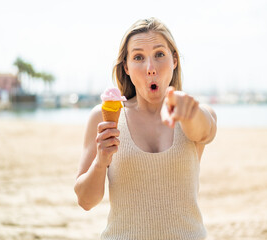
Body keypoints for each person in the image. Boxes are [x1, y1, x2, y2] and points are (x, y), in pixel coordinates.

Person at [74, 17, 217, 240]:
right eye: (138, 57)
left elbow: (205, 131)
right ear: (127, 68)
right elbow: (85, 201)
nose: (150, 68)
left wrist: (186, 108)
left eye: (159, 54)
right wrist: (101, 162)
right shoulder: (104, 117)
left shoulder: (193, 113)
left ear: (174, 60)